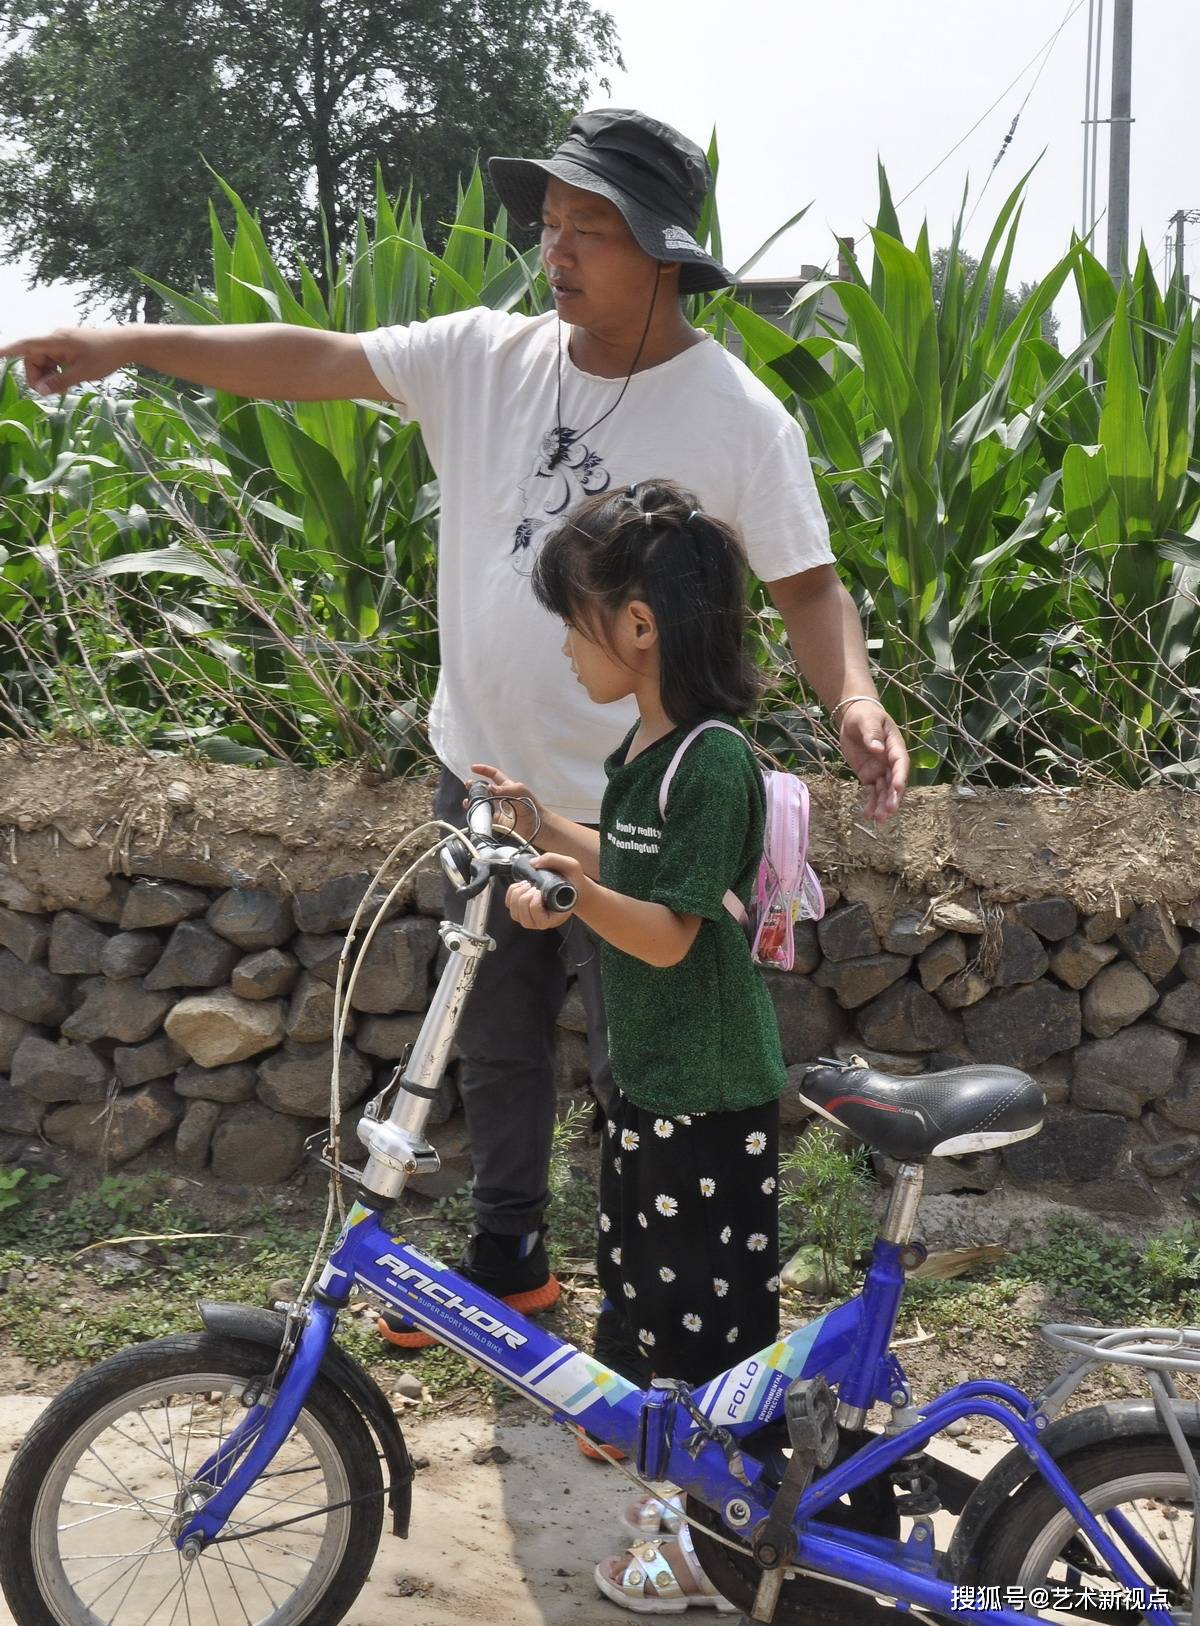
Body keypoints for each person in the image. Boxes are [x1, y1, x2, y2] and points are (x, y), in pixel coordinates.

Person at [0, 108, 908, 1355]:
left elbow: (810, 588)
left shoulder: (736, 415)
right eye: (551, 222)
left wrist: (853, 697)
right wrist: (118, 343)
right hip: (484, 782)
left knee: (643, 1058)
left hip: (635, 812)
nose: (557, 249)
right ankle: (510, 1266)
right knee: (493, 1037)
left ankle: (648, 1332)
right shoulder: (483, 354)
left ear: (661, 253)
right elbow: (309, 357)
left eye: (590, 228)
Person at [483, 478, 786, 1612]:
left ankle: (710, 1549)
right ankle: (698, 1529)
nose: (567, 646)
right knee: (654, 1323)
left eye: (576, 619)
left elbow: (662, 935)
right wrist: (542, 826)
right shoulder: (645, 755)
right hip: (656, 1091)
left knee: (703, 1346)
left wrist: (567, 887)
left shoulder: (714, 763)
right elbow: (629, 863)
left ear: (641, 627)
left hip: (708, 1102)